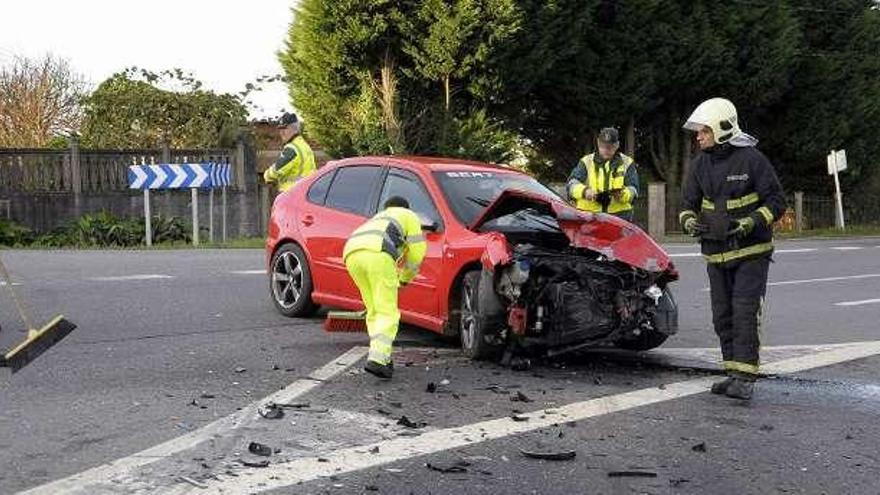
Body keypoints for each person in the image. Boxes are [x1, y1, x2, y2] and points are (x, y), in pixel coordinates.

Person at [679, 97, 786, 400]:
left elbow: (776, 202)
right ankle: (732, 371)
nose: (698, 136)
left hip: (751, 251)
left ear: (722, 129)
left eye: (703, 131)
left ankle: (745, 377)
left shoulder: (752, 160)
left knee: (744, 312)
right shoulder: (700, 164)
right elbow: (687, 205)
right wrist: (689, 223)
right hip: (715, 252)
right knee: (721, 315)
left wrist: (751, 223)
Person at [343, 196, 427, 379]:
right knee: (387, 311)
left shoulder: (380, 217)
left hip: (351, 253)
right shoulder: (408, 215)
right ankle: (378, 359)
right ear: (406, 207)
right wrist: (405, 278)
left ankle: (382, 356)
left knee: (374, 310)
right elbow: (418, 251)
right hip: (378, 253)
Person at [566, 127, 640, 222]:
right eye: (602, 146)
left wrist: (623, 195)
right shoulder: (586, 161)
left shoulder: (627, 162)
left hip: (620, 217)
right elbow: (571, 184)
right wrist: (585, 192)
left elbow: (634, 189)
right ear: (597, 142)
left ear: (617, 145)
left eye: (609, 147)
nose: (605, 149)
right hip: (589, 216)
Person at [262, 112, 316, 193]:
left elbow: (277, 169)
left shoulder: (292, 148)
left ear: (294, 129)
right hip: (304, 193)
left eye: (285, 128)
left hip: (292, 195)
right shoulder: (304, 145)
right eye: (280, 129)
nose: (281, 132)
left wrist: (267, 175)